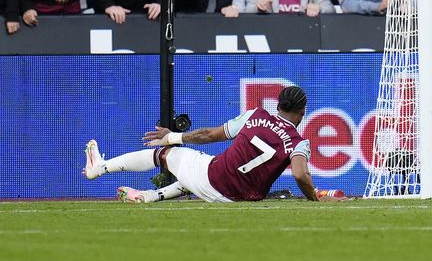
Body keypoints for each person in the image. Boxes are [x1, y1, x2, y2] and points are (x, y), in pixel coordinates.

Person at [83, 85, 321, 203]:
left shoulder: (255, 115)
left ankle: (99, 168)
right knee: (199, 169)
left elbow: (208, 135)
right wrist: (314, 197)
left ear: (277, 106)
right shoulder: (299, 142)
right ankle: (150, 196)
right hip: (241, 199)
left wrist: (172, 137)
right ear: (302, 112)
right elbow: (300, 175)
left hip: (213, 181)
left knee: (166, 154)